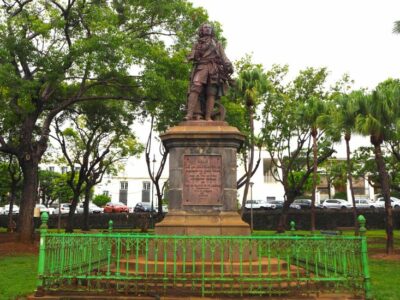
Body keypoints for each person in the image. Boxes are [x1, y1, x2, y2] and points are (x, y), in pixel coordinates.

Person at [184, 23, 233, 121]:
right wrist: (191, 56)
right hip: (201, 67)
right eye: (205, 27)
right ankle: (190, 114)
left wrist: (229, 65)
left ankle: (208, 117)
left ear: (212, 30)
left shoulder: (217, 43)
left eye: (209, 27)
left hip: (213, 69)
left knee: (211, 92)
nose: (208, 29)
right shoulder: (197, 44)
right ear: (202, 30)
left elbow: (223, 56)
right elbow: (192, 55)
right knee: (195, 88)